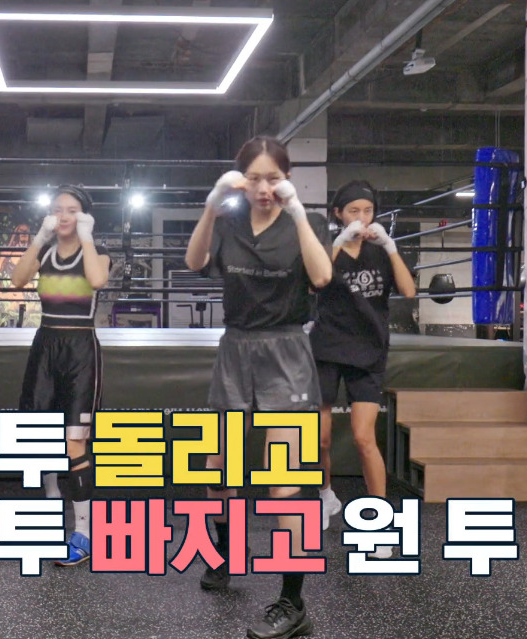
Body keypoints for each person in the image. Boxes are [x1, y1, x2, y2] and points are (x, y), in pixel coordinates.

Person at [184, 136, 332, 639]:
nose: (264, 188)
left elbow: (322, 276)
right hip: (236, 348)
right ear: (240, 180)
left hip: (286, 350)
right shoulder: (228, 222)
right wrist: (211, 205)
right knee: (217, 469)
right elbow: (194, 261)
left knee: (283, 481)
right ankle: (226, 553)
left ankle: (293, 602)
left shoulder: (305, 222)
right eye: (254, 178)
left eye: (274, 178)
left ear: (286, 179)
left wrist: (299, 213)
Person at [311, 181, 416, 554]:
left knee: (363, 438)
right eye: (353, 211)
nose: (361, 217)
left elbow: (408, 291)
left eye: (367, 211)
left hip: (369, 350)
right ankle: (326, 495)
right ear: (338, 214)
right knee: (320, 437)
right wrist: (339, 242)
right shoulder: (328, 249)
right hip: (327, 346)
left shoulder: (380, 251)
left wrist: (390, 247)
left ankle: (379, 523)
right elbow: (313, 282)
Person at [11, 185, 110, 566]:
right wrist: (39, 237)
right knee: (41, 438)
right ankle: (51, 512)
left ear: (85, 215)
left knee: (74, 442)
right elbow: (17, 280)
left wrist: (86, 236)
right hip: (46, 346)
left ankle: (83, 533)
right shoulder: (46, 252)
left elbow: (97, 280)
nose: (64, 216)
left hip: (81, 350)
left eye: (72, 210)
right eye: (57, 209)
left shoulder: (97, 252)